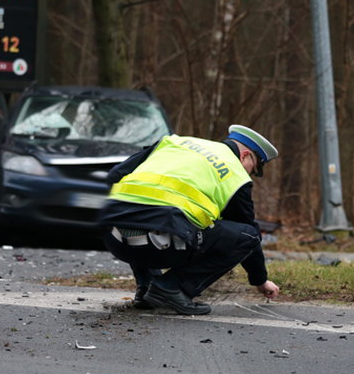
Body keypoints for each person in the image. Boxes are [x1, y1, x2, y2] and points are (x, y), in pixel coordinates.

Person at [97, 125, 280, 315]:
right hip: (159, 244)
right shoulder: (235, 173)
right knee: (247, 235)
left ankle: (147, 288)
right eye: (255, 169)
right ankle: (171, 288)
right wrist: (260, 279)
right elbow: (248, 234)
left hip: (114, 237)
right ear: (245, 156)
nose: (250, 174)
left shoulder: (172, 142)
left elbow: (114, 175)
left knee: (141, 213)